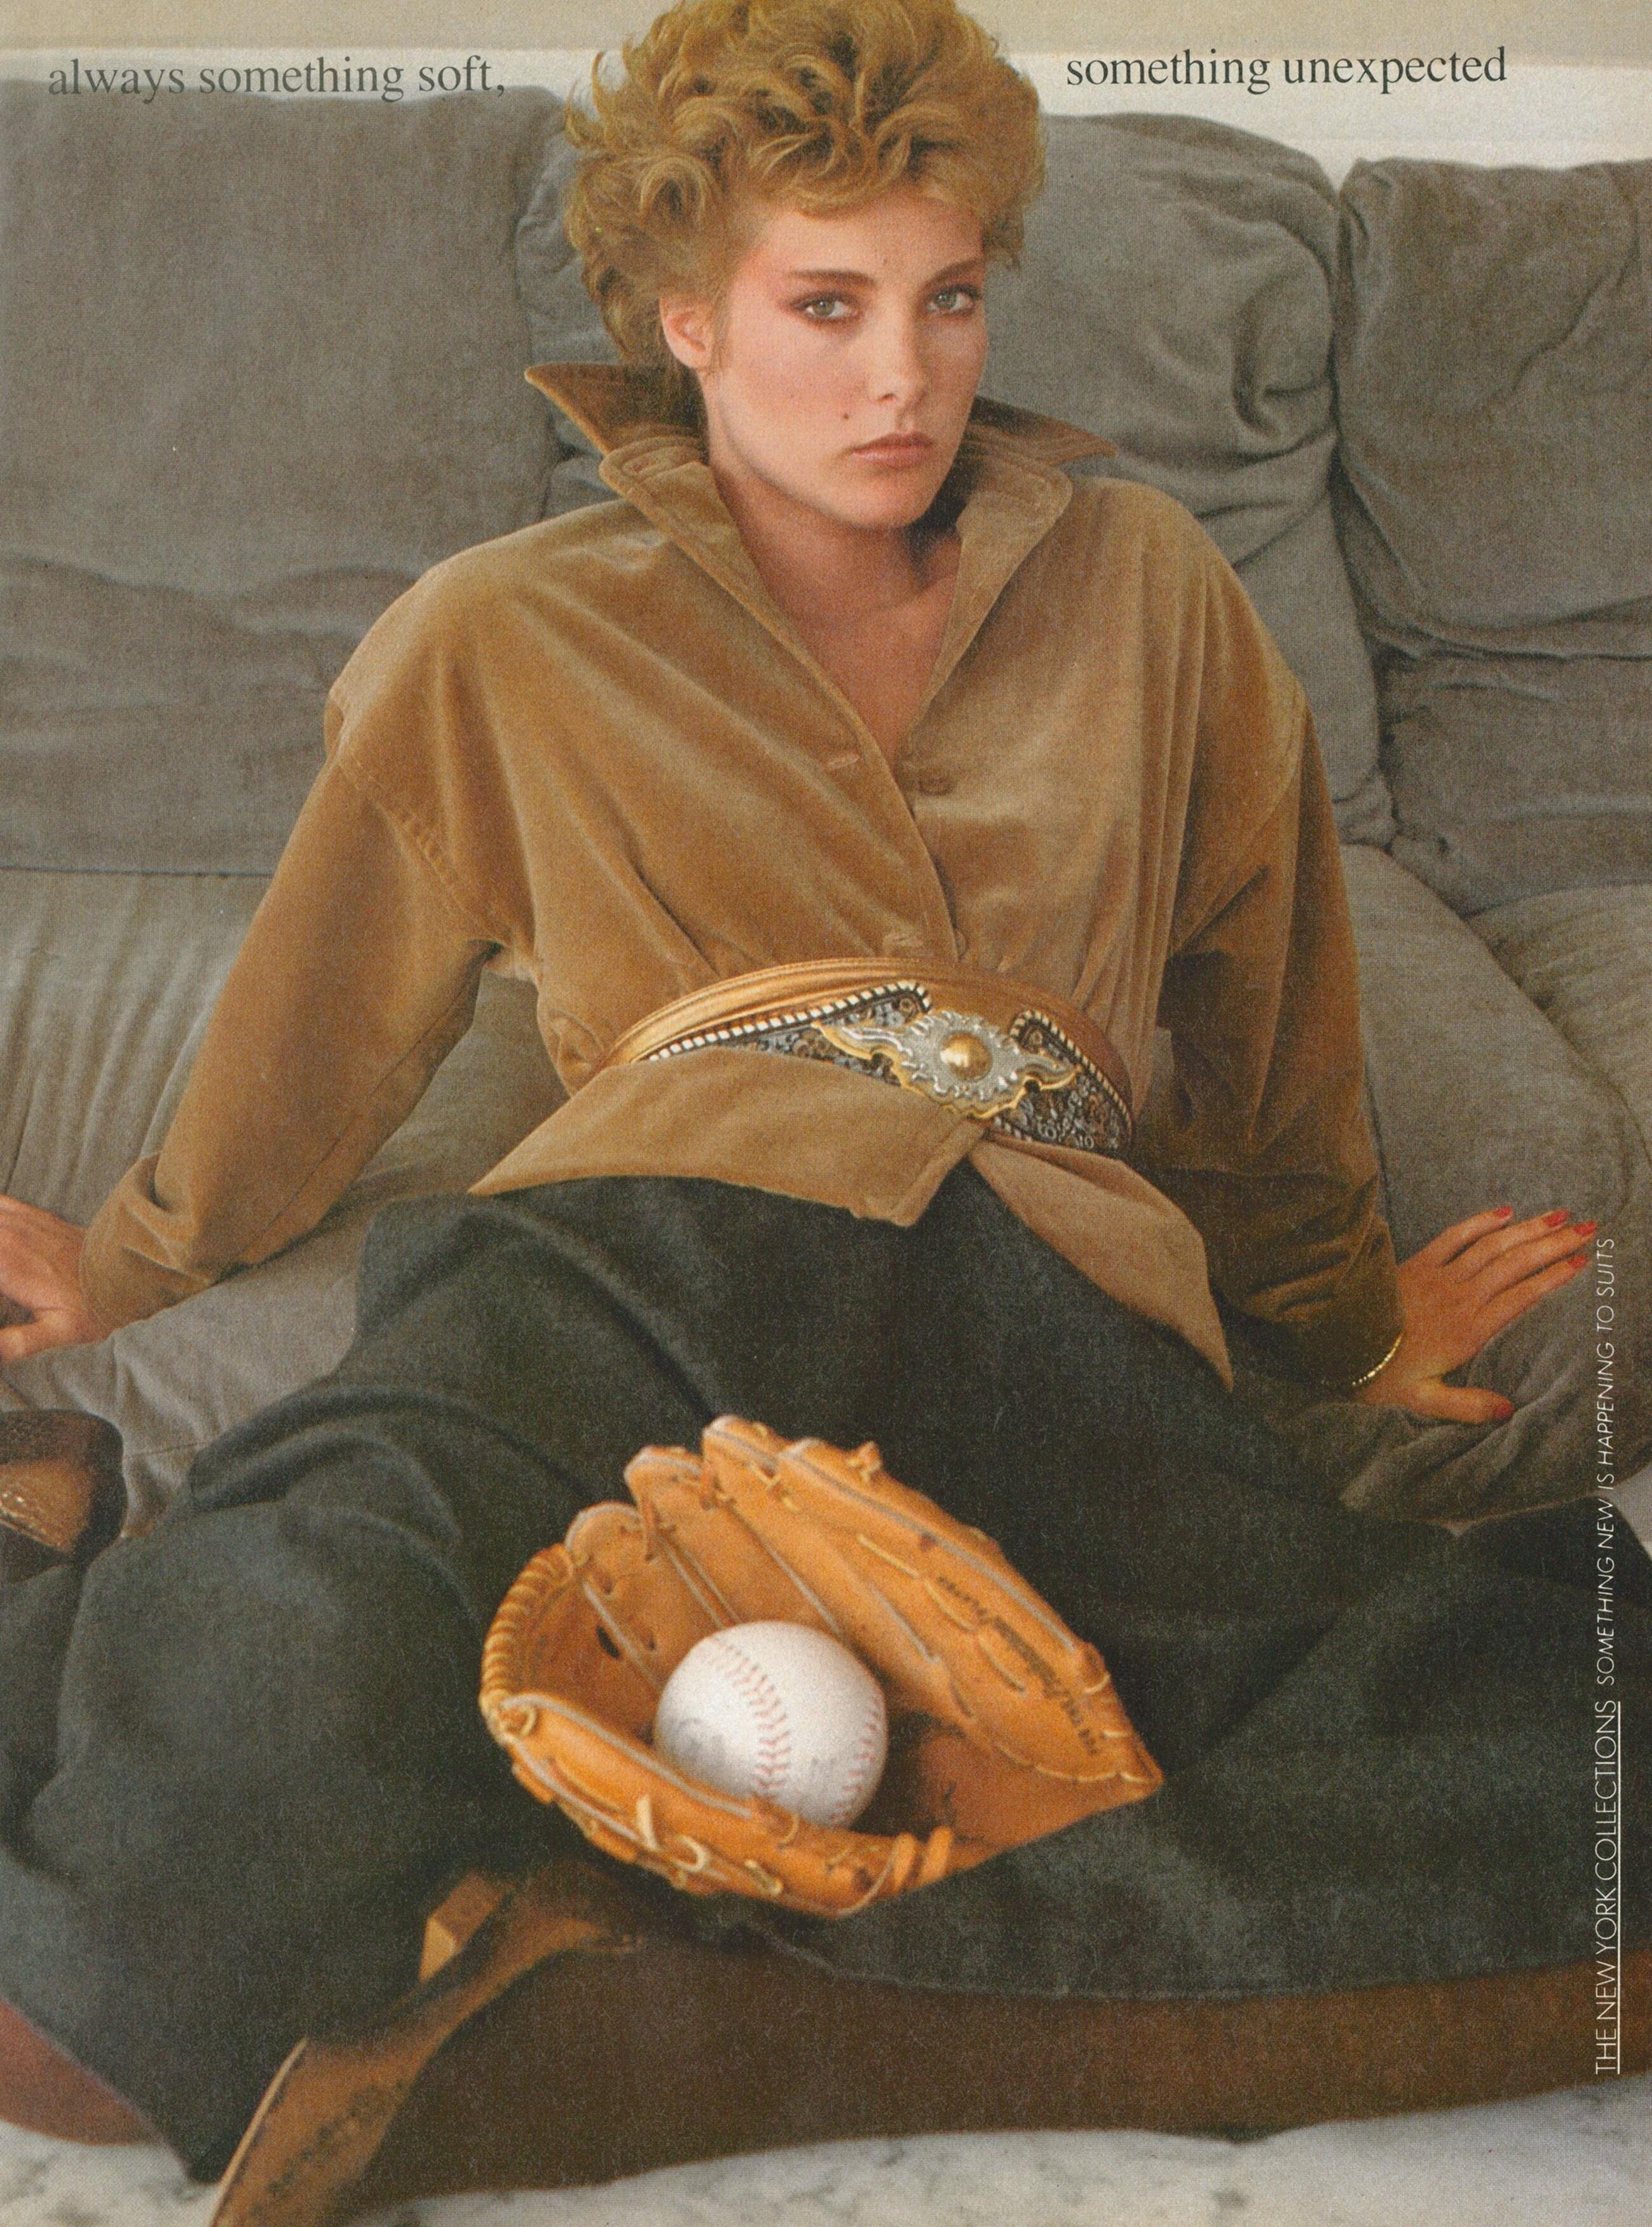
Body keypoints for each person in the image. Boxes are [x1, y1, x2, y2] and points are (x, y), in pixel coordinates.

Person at [0, 0, 1631, 2180]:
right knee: (129, 1953)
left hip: (1054, 1310)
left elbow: (1266, 1016)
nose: (905, 379)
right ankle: (68, 1566)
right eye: (828, 305)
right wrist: (131, 1261)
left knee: (1569, 1773)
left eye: (949, 299)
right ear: (688, 319)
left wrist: (1336, 1323)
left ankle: (644, 1988)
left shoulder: (1150, 590)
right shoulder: (502, 631)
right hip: (636, 1250)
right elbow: (325, 1018)